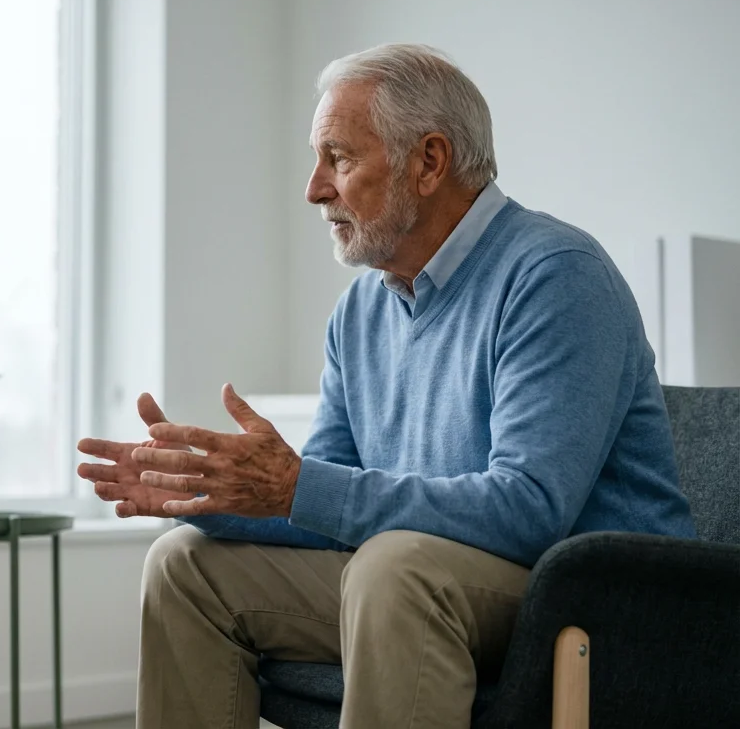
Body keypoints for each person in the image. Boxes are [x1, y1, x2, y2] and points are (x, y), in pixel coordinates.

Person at [78, 44, 696, 729]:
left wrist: (295, 486)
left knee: (394, 566)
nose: (314, 188)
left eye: (337, 158)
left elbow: (530, 508)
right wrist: (207, 494)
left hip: (602, 601)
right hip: (425, 586)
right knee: (185, 566)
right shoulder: (362, 311)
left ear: (428, 162)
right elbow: (328, 502)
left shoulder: (556, 275)